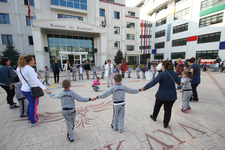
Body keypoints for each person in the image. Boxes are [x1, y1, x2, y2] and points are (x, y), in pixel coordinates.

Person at [141, 60, 180, 128]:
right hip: (171, 96)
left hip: (162, 95)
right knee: (168, 110)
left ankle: (154, 117)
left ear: (163, 66)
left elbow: (153, 82)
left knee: (157, 106)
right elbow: (179, 83)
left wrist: (145, 88)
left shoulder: (161, 74)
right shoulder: (174, 74)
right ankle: (165, 124)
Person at [17, 55, 49, 127]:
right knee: (33, 106)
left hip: (24, 89)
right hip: (31, 90)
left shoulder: (19, 68)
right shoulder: (29, 69)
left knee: (30, 105)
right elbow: (35, 79)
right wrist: (44, 88)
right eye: (33, 60)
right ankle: (34, 121)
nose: (34, 61)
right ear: (30, 61)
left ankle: (30, 118)